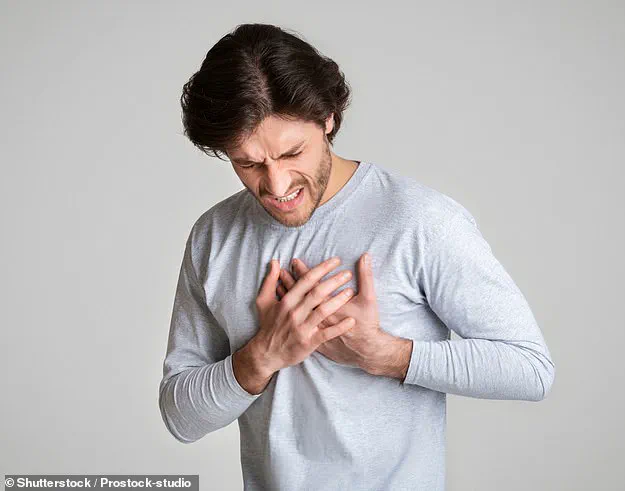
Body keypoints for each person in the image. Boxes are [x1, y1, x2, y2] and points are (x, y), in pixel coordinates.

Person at [158, 22, 555, 491]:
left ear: (327, 118)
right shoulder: (214, 235)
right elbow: (181, 419)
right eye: (249, 163)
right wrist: (262, 355)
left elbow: (530, 369)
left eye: (293, 153)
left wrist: (386, 355)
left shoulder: (419, 220)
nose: (277, 185)